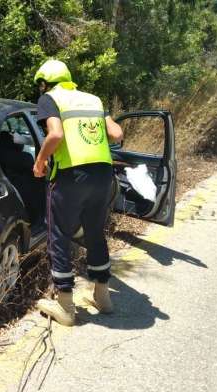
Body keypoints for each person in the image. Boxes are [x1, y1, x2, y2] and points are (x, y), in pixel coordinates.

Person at [32, 59, 124, 326]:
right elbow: (116, 134)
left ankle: (65, 306)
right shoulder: (93, 99)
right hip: (103, 175)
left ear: (43, 83)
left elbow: (56, 135)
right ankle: (102, 296)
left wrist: (40, 162)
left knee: (58, 232)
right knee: (95, 231)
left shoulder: (50, 99)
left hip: (70, 176)